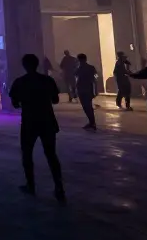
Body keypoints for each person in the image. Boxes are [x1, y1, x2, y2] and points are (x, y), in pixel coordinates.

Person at [8, 54, 65, 203]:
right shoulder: (47, 80)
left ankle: (31, 184)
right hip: (47, 120)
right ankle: (59, 187)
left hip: (29, 122)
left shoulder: (20, 82)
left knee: (27, 154)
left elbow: (14, 103)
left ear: (24, 66)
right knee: (51, 154)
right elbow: (55, 100)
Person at [75, 53, 98, 130]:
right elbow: (95, 78)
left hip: (82, 89)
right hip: (89, 88)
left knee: (86, 106)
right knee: (89, 106)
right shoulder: (91, 67)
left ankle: (92, 122)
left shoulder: (79, 68)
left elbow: (76, 77)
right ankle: (92, 122)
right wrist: (96, 89)